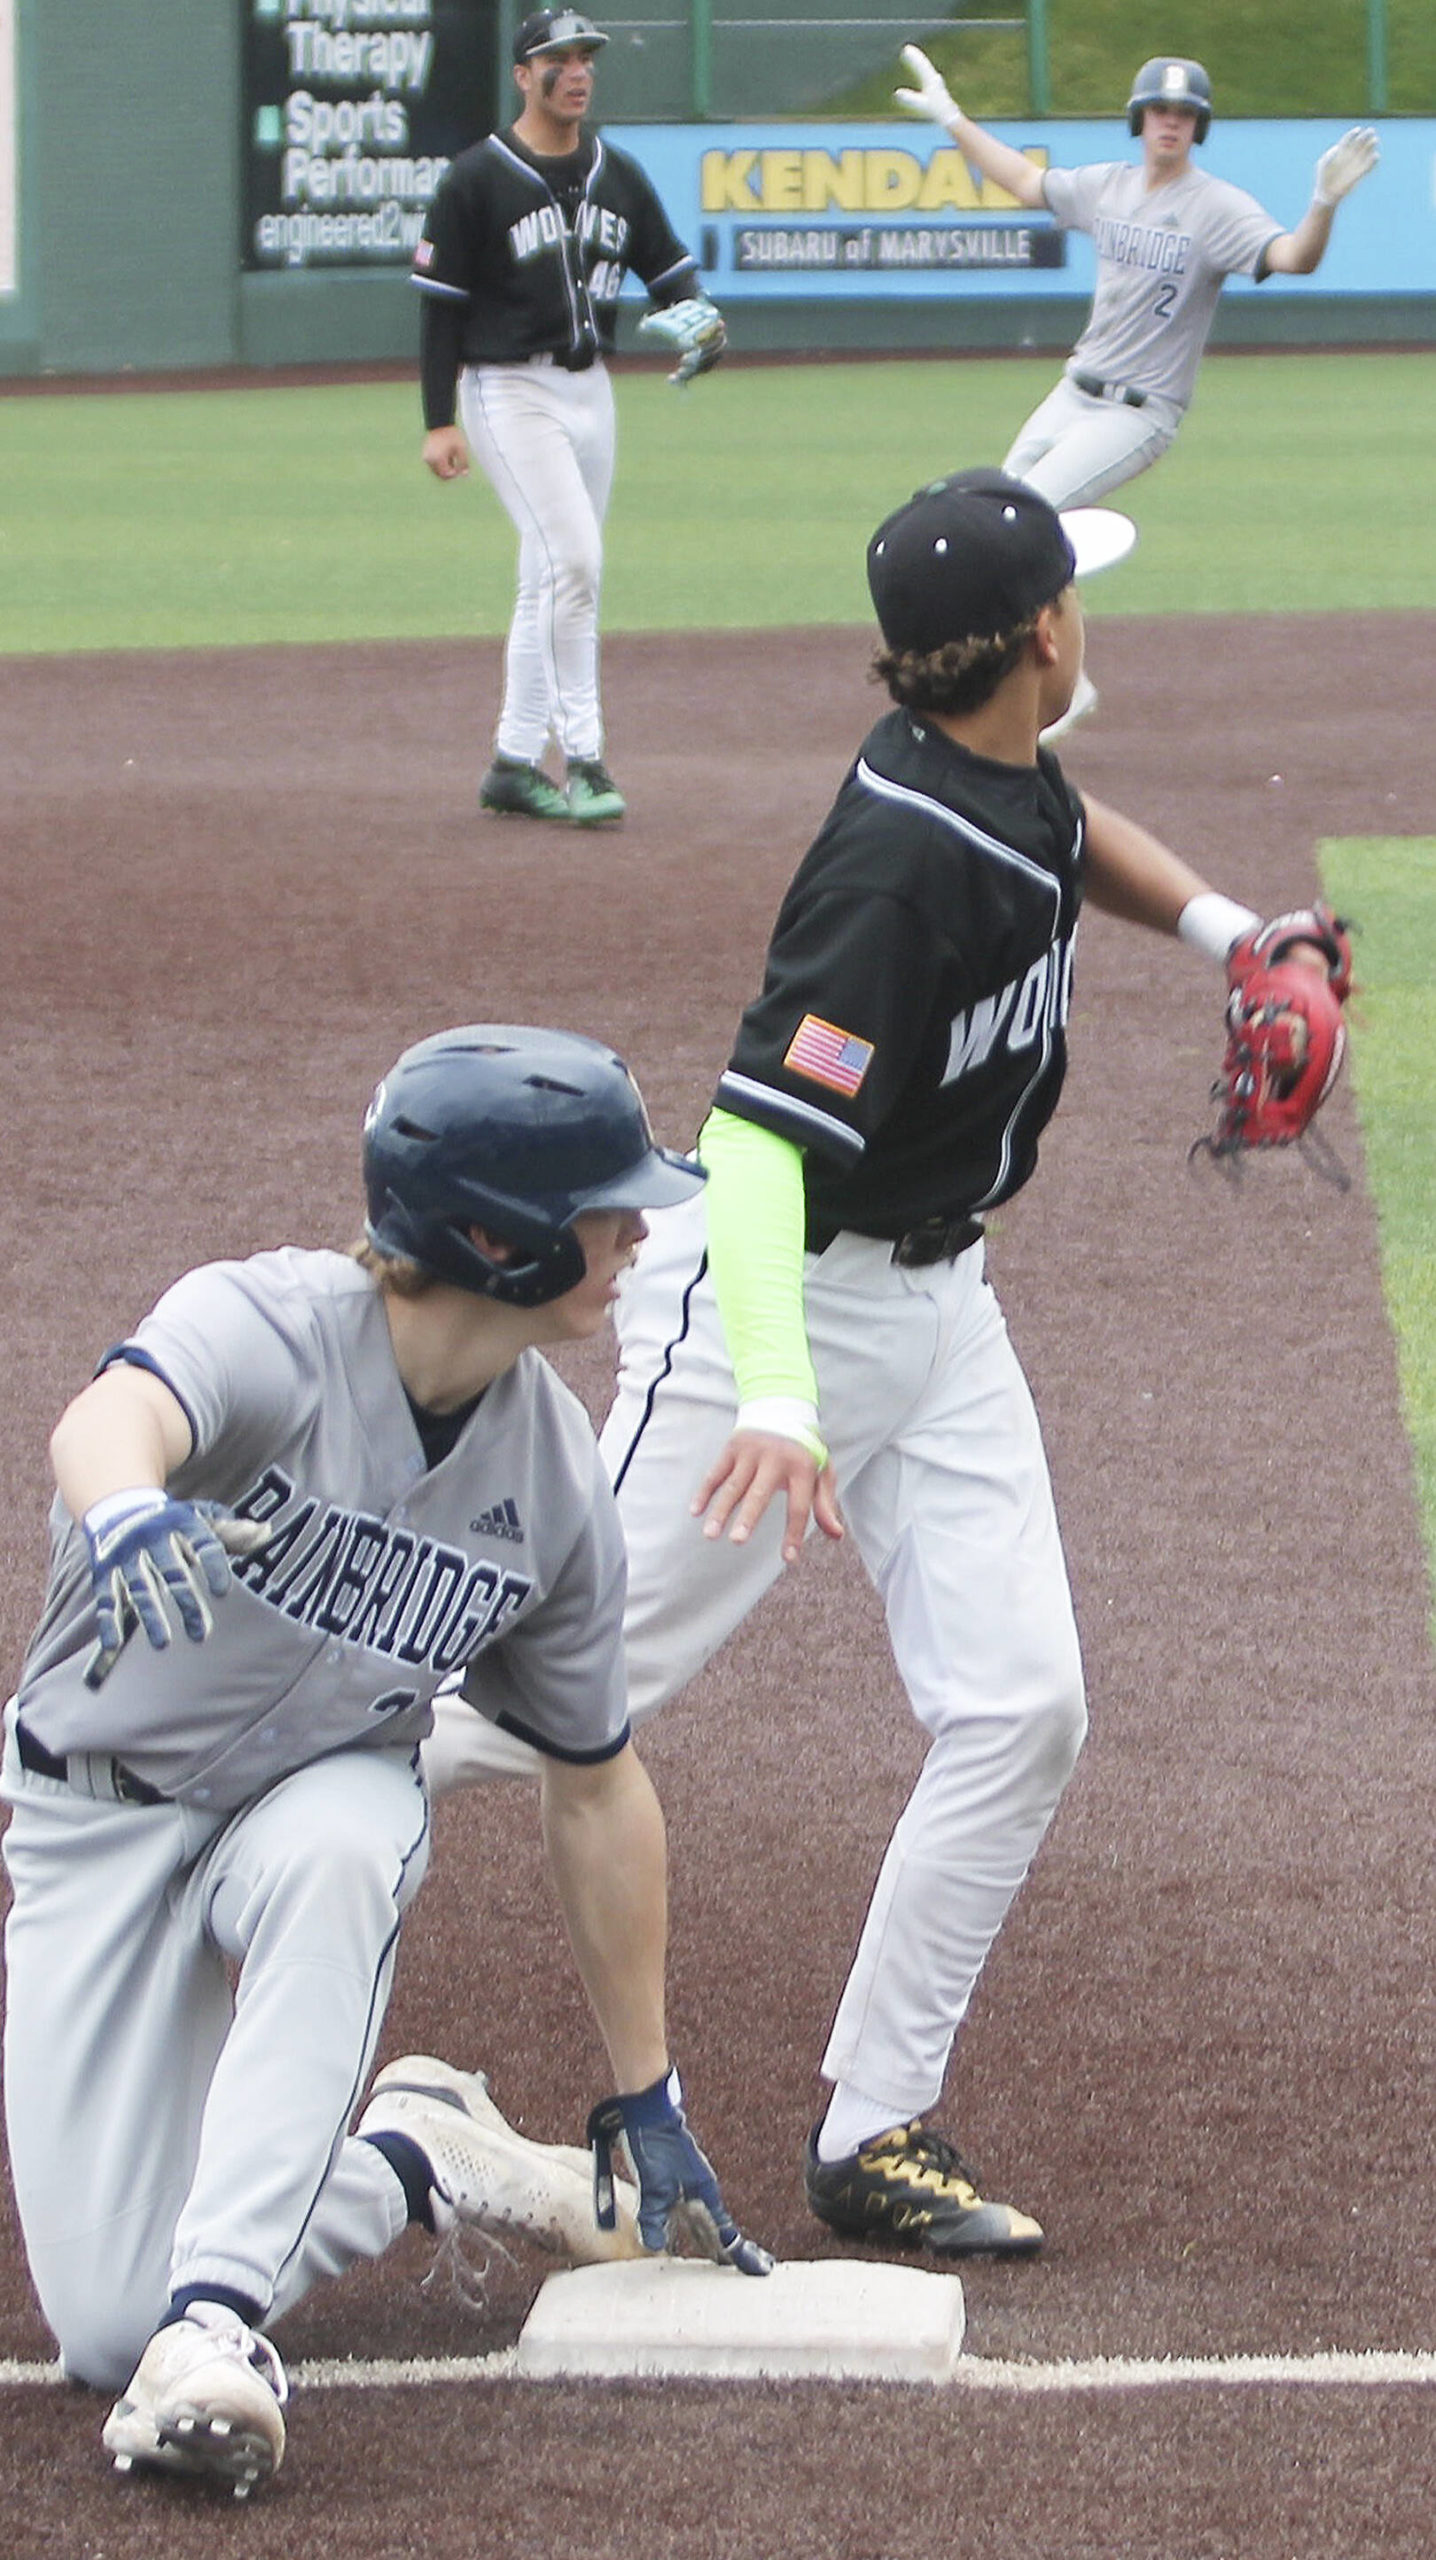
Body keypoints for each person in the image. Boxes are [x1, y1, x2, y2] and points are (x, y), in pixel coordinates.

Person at [425, 470, 1343, 2259]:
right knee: (526, 1690)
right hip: (775, 1308)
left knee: (1022, 1708)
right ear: (1043, 636)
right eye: (1080, 592)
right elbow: (760, 1149)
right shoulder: (899, 859)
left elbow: (1077, 837)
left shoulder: (999, 773)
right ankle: (211, 1824)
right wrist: (777, 1396)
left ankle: (872, 2126)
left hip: (936, 1305)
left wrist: (1237, 934)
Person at [1, 1024, 769, 2500]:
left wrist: (648, 2087)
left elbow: (595, 1779)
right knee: (102, 2324)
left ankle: (217, 2327)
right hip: (92, 1821)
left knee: (355, 1836)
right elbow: (112, 1419)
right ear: (500, 1235)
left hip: (314, 1799)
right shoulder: (269, 1329)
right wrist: (121, 1509)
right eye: (606, 1207)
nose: (636, 1233)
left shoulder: (551, 1485)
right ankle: (421, 2157)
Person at [893, 48, 1379, 730]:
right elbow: (1027, 182)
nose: (1171, 123)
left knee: (1018, 527)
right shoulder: (1108, 187)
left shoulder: (1216, 208)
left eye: (1185, 114)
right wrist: (952, 118)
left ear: (1198, 127)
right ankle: (1064, 683)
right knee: (987, 515)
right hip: (1073, 390)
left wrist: (1323, 203)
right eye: (1160, 110)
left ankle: (1051, 687)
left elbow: (1294, 258)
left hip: (1138, 412)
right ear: (1139, 118)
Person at [412, 10, 726, 828]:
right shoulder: (476, 179)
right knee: (576, 563)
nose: (578, 70)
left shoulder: (616, 173)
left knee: (549, 577)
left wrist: (702, 321)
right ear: (524, 75)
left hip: (593, 394)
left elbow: (671, 275)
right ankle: (584, 758)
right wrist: (437, 418)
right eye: (559, 58)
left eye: (586, 56)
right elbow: (441, 311)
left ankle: (513, 763)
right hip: (505, 390)